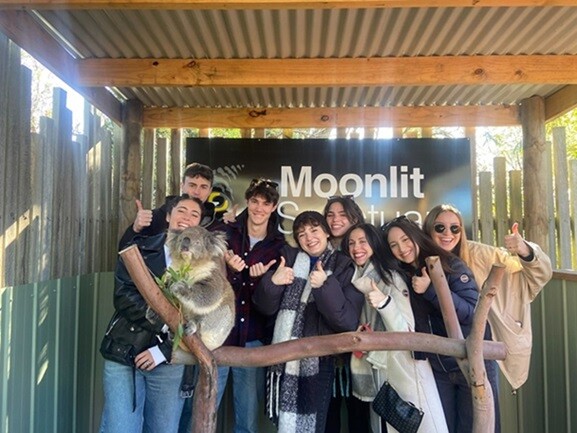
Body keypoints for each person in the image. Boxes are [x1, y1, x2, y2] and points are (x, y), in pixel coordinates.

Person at [381, 215, 496, 433]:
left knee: (477, 426)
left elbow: (472, 313)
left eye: (405, 240)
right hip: (438, 369)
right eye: (394, 245)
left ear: (416, 236)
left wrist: (431, 289)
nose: (402, 249)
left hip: (471, 363)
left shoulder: (451, 265)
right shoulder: (404, 275)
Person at [99, 194, 204, 433]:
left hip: (171, 359)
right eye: (181, 211)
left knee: (163, 429)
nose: (186, 217)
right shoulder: (140, 249)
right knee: (120, 428)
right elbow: (124, 296)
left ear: (200, 225)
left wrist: (164, 350)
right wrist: (166, 325)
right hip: (126, 350)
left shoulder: (204, 265)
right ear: (168, 216)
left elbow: (201, 317)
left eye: (194, 214)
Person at [253, 211, 364, 433]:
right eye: (301, 233)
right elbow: (265, 308)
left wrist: (324, 285)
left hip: (322, 360)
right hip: (285, 356)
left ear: (326, 232)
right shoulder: (289, 258)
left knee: (319, 424)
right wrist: (273, 282)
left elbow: (346, 321)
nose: (309, 237)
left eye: (314, 230)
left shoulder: (343, 264)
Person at [423, 204, 552, 391]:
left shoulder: (482, 255)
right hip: (437, 360)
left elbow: (537, 275)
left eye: (455, 228)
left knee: (484, 416)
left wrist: (526, 250)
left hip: (479, 353)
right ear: (428, 229)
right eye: (439, 227)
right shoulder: (418, 256)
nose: (448, 233)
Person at [342, 223, 449, 433]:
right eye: (351, 243)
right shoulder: (359, 279)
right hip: (380, 371)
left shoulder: (390, 277)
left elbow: (406, 329)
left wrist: (384, 303)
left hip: (404, 370)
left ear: (375, 244)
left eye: (363, 242)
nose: (356, 248)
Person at [214, 178, 286, 433]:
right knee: (203, 409)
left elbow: (270, 303)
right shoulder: (226, 232)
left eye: (265, 203)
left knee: (247, 419)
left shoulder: (279, 246)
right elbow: (209, 281)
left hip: (253, 339)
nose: (259, 208)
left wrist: (258, 281)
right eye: (255, 201)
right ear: (247, 201)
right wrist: (232, 272)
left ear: (274, 207)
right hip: (218, 336)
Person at [322, 196, 369, 433]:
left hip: (362, 347)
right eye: (330, 214)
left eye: (342, 214)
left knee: (359, 415)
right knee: (328, 415)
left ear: (355, 218)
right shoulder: (319, 249)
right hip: (327, 349)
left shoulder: (364, 251)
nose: (335, 220)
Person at [119, 162, 218, 249]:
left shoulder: (216, 225)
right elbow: (124, 252)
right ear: (182, 186)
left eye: (203, 187)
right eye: (192, 185)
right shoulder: (155, 218)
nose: (197, 192)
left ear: (210, 191)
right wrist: (135, 229)